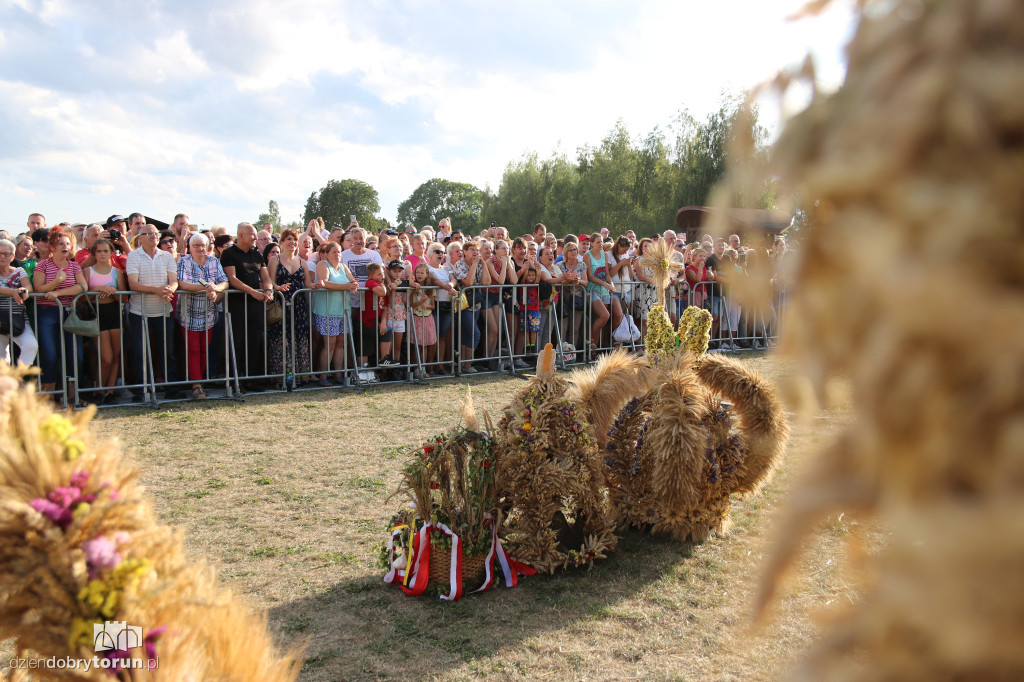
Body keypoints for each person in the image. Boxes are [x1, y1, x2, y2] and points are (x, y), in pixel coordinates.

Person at [125, 224, 181, 400]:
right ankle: (142, 390)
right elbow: (133, 284)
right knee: (140, 353)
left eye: (155, 234)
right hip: (139, 312)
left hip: (164, 311)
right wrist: (158, 290)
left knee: (169, 352)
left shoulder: (167, 256)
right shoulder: (133, 256)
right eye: (148, 234)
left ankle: (172, 389)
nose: (153, 237)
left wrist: (169, 290)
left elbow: (174, 281)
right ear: (140, 237)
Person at [221, 223, 278, 392]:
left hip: (256, 306)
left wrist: (268, 290)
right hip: (237, 305)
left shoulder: (257, 255)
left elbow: (265, 276)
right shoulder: (228, 254)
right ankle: (235, 381)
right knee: (236, 343)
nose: (255, 239)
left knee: (254, 343)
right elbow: (232, 279)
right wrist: (253, 292)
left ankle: (252, 380)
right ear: (241, 235)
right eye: (252, 235)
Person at [33, 227, 88, 400]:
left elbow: (83, 287)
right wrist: (56, 281)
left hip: (69, 311)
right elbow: (39, 288)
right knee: (50, 354)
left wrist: (58, 293)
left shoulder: (74, 265)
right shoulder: (42, 264)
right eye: (60, 244)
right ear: (52, 247)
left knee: (75, 354)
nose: (65, 246)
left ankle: (72, 394)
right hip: (47, 312)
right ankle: (49, 393)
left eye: (67, 243)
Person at [175, 232, 228, 399]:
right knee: (193, 349)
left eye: (202, 245)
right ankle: (196, 384)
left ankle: (201, 382)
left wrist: (216, 289)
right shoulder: (184, 261)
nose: (199, 248)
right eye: (196, 245)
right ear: (189, 248)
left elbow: (224, 281)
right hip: (188, 313)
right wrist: (205, 288)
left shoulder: (214, 261)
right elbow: (182, 283)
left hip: (209, 313)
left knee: (205, 349)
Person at [266, 229, 313, 385]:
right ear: (282, 242)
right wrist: (277, 288)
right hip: (281, 304)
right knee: (281, 338)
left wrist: (318, 285)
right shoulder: (275, 260)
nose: (292, 242)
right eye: (289, 239)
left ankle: (300, 376)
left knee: (299, 338)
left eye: (294, 239)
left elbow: (307, 284)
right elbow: (270, 282)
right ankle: (281, 376)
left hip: (299, 306)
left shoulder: (302, 262)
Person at [84, 238, 126, 403]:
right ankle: (99, 390)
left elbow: (124, 298)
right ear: (94, 253)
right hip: (96, 313)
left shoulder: (117, 272)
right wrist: (99, 288)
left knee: (115, 356)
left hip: (114, 312)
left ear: (111, 253)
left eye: (105, 251)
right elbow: (83, 294)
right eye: (99, 251)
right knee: (105, 357)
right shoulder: (88, 271)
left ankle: (110, 391)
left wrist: (113, 291)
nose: (102, 254)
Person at [312, 242, 358, 385]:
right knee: (329, 345)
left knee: (340, 344)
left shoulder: (344, 267)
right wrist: (345, 286)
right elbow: (324, 282)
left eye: (339, 252)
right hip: (327, 311)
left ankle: (339, 374)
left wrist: (353, 285)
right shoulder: (323, 265)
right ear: (326, 254)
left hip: (343, 311)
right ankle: (323, 376)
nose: (337, 255)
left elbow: (352, 281)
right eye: (334, 252)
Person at [0, 239, 37, 368]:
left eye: (6, 254)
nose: (2, 257)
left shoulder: (19, 271)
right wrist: (12, 292)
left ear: (13, 257)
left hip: (18, 318)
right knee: (2, 360)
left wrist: (23, 291)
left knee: (31, 345)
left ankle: (17, 377)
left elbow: (29, 288)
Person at [583, 231, 614, 353]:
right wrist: (604, 284)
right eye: (598, 242)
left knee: (601, 320)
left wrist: (610, 284)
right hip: (592, 289)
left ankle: (593, 348)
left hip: (604, 290)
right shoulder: (587, 255)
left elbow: (607, 274)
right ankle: (590, 343)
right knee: (604, 315)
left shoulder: (604, 255)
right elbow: (589, 276)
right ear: (591, 243)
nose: (601, 244)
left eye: (602, 241)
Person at [409, 262, 437, 379]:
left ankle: (423, 367)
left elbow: (433, 306)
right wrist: (420, 303)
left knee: (425, 345)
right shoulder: (412, 288)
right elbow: (411, 305)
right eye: (417, 272)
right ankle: (417, 367)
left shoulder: (430, 289)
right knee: (417, 345)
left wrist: (427, 305)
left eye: (422, 273)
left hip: (428, 318)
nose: (419, 274)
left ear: (426, 275)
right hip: (417, 318)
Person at [359, 262, 388, 369]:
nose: (382, 276)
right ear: (371, 276)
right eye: (379, 274)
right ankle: (363, 368)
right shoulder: (371, 282)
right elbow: (382, 293)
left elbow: (385, 307)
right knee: (364, 345)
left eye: (382, 273)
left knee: (387, 330)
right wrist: (383, 285)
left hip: (375, 320)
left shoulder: (379, 283)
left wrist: (384, 322)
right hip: (365, 321)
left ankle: (385, 360)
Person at [631, 238, 658, 337]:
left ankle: (648, 343)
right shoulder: (638, 260)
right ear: (641, 248)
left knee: (652, 319)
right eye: (645, 246)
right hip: (642, 292)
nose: (648, 248)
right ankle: (640, 343)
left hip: (653, 292)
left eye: (650, 246)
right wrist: (656, 281)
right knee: (644, 319)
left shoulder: (654, 261)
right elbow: (641, 276)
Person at [520, 266, 541, 356]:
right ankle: (527, 345)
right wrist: (528, 265)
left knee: (534, 329)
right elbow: (524, 276)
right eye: (529, 275)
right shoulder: (523, 283)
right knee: (526, 329)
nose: (531, 277)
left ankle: (533, 345)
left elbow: (539, 275)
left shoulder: (535, 284)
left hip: (534, 310)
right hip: (524, 309)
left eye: (533, 275)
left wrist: (536, 265)